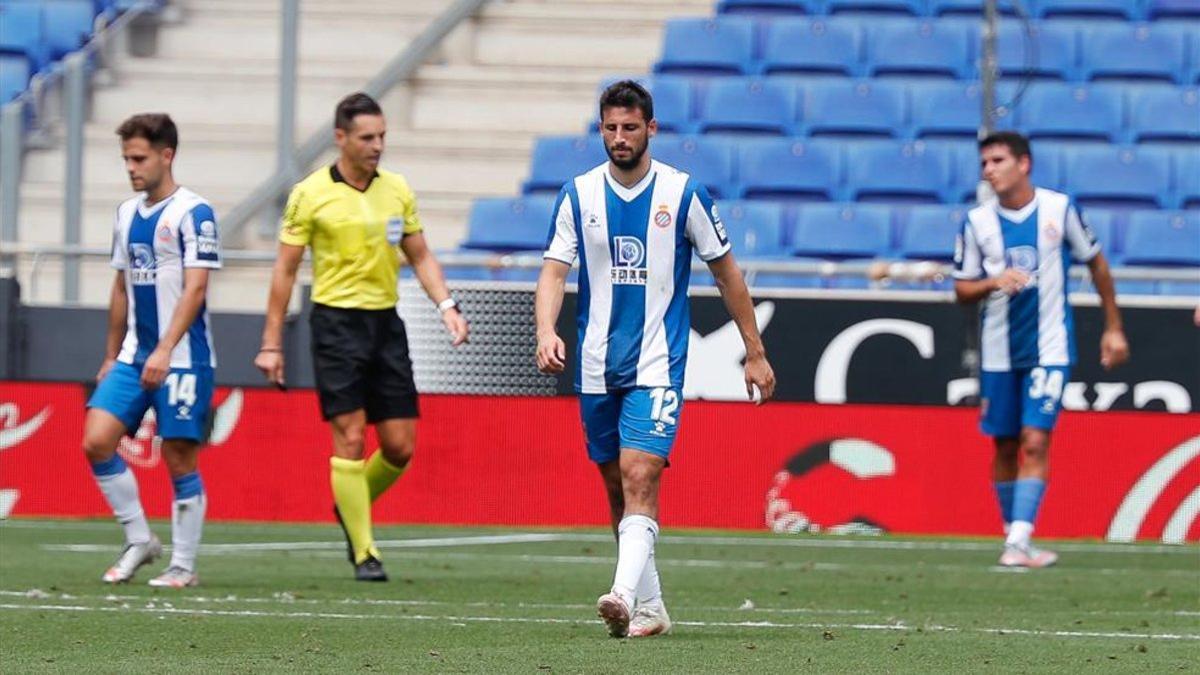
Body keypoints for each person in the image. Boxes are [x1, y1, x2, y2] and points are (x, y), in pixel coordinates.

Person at [534, 80, 776, 638]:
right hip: (595, 362)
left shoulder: (685, 193)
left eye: (630, 128)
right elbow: (553, 270)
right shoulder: (578, 195)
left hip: (657, 362)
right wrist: (546, 329)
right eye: (610, 128)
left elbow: (727, 274)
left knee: (640, 472)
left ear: (651, 129)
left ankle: (620, 593)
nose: (619, 138)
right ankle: (652, 607)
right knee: (615, 486)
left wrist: (754, 353)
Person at [254, 92, 469, 582]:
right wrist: (271, 343)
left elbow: (420, 255)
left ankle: (351, 505)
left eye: (382, 137)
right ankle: (364, 551)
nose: (377, 146)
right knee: (350, 437)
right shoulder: (310, 194)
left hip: (386, 324)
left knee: (399, 447)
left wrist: (447, 306)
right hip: (335, 324)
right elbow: (284, 273)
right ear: (341, 139)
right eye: (367, 138)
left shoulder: (396, 189)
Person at [954, 132, 1129, 568]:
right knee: (1005, 445)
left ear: (1023, 163)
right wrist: (994, 281)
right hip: (998, 350)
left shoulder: (1060, 208)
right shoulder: (977, 223)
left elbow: (1097, 263)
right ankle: (1015, 535)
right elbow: (961, 289)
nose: (988, 170)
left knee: (1035, 440)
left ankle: (1017, 541)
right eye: (984, 163)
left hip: (1050, 347)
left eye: (997, 160)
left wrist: (1113, 327)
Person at [83, 113, 221, 588]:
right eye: (126, 159)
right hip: (134, 353)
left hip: (183, 356)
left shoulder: (194, 213)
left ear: (167, 155)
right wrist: (110, 354)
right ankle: (140, 538)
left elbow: (195, 289)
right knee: (97, 439)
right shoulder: (125, 213)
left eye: (139, 158)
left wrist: (165, 349)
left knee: (179, 456)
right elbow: (121, 286)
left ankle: (183, 564)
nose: (131, 167)